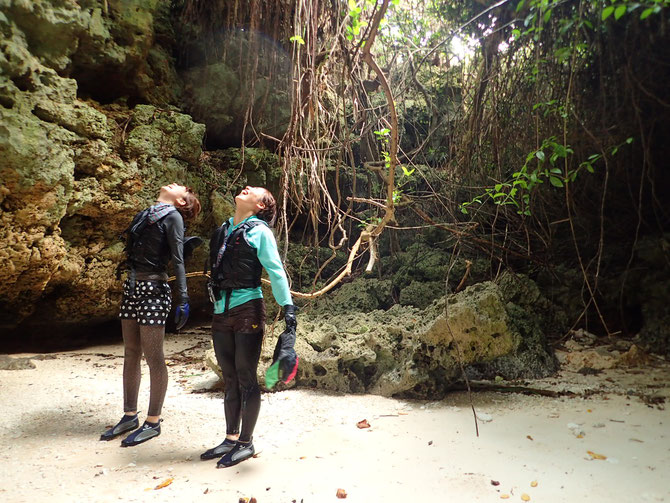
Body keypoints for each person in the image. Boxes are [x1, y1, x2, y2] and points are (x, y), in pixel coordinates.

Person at [201, 186, 297, 468]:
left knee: (245, 375)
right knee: (229, 377)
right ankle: (230, 438)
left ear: (261, 207)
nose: (247, 188)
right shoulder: (224, 230)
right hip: (221, 310)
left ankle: (246, 442)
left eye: (255, 191)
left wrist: (288, 307)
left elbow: (275, 270)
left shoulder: (260, 231)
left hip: (247, 309)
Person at [100, 183, 202, 446]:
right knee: (131, 352)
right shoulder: (146, 214)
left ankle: (153, 421)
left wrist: (184, 297)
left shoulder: (173, 217)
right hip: (132, 286)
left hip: (155, 289)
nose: (175, 183)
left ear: (181, 201)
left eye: (182, 188)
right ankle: (129, 415)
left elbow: (178, 259)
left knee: (154, 356)